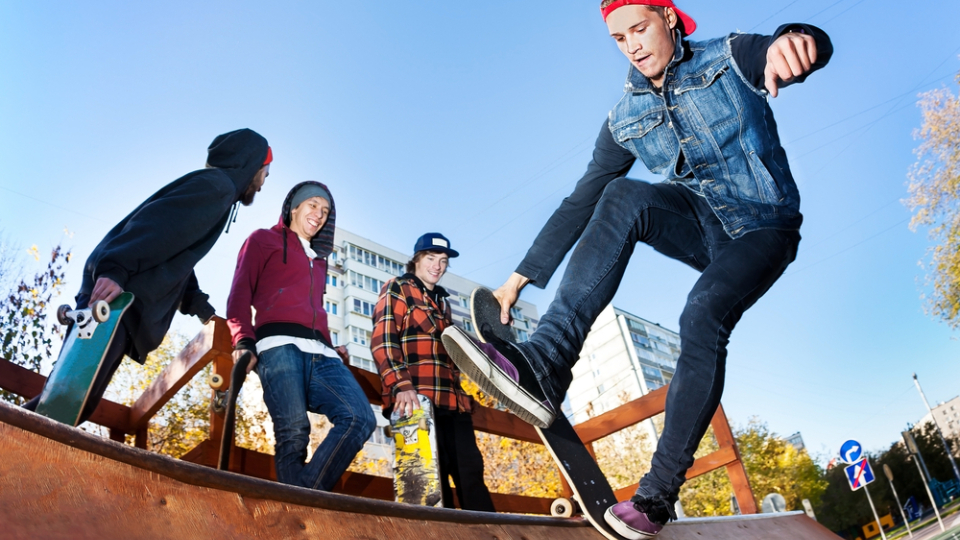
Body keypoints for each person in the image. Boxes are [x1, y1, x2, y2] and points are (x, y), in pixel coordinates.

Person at [440, 1, 833, 537]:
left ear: (668, 17)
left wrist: (798, 38)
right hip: (702, 228)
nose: (633, 47)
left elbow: (792, 49)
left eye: (640, 29)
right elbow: (581, 200)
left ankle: (656, 495)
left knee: (702, 313)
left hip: (763, 228)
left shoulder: (729, 56)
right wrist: (519, 278)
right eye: (620, 39)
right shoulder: (625, 117)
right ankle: (548, 361)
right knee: (621, 194)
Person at [25, 128, 272, 425]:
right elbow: (155, 226)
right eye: (265, 171)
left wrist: (200, 307)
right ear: (253, 164)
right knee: (64, 401)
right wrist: (115, 270)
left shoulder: (216, 189)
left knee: (73, 402)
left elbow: (175, 251)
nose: (263, 183)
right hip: (116, 296)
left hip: (123, 297)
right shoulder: (216, 187)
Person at [226, 181, 375, 491]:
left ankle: (302, 501)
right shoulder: (262, 240)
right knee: (293, 432)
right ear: (294, 208)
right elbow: (239, 293)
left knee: (360, 417)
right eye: (313, 205)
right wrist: (242, 340)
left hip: (323, 354)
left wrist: (331, 345)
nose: (319, 214)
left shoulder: (319, 261)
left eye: (325, 211)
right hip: (278, 347)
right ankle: (305, 507)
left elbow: (315, 309)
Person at [372, 233, 496, 511]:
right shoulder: (398, 288)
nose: (437, 266)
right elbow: (383, 340)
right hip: (416, 404)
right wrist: (400, 385)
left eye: (443, 261)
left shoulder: (443, 304)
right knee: (429, 492)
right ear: (416, 259)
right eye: (431, 258)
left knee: (472, 477)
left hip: (453, 404)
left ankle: (488, 530)